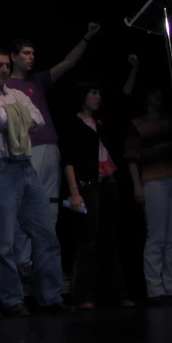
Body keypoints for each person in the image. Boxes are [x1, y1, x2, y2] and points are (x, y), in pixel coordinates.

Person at [0, 48, 64, 316]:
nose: (3, 70)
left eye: (5, 66)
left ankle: (51, 297)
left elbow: (39, 119)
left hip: (25, 165)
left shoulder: (17, 93)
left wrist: (12, 114)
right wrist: (17, 114)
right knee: (6, 240)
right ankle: (12, 300)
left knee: (46, 234)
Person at [6, 24, 101, 275]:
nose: (31, 57)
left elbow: (68, 62)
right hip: (28, 151)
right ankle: (22, 261)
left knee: (51, 205)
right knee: (27, 204)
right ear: (13, 56)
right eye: (25, 53)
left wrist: (86, 37)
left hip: (51, 148)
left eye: (32, 53)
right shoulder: (4, 85)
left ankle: (45, 262)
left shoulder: (37, 80)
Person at [125, 59, 172, 306]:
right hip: (154, 180)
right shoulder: (139, 124)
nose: (156, 98)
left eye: (159, 94)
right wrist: (137, 185)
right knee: (156, 236)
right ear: (146, 98)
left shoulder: (170, 118)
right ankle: (155, 289)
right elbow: (132, 157)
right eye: (152, 95)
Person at [63, 79, 136, 310]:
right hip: (87, 186)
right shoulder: (74, 124)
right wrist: (74, 191)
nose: (98, 97)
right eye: (93, 92)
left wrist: (133, 70)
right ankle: (83, 294)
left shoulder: (101, 122)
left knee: (111, 240)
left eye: (99, 93)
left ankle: (116, 292)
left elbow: (123, 99)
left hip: (109, 184)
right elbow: (68, 160)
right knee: (87, 241)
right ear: (83, 95)